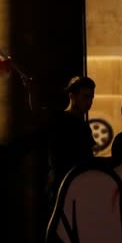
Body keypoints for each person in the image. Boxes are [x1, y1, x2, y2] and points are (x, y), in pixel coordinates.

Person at [46, 76, 97, 210]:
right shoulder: (60, 120)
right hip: (63, 185)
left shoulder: (82, 125)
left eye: (91, 97)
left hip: (75, 185)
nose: (89, 102)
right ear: (72, 96)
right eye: (86, 97)